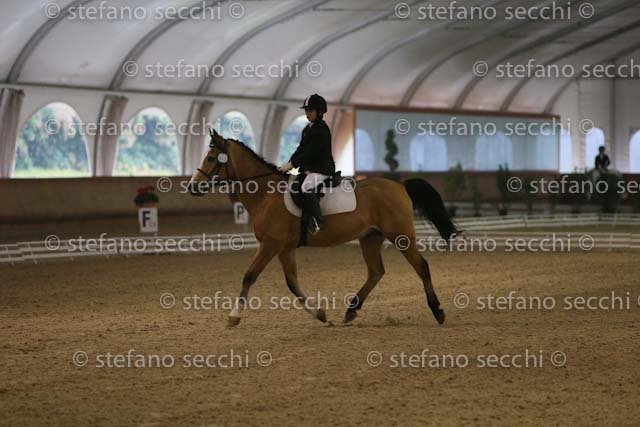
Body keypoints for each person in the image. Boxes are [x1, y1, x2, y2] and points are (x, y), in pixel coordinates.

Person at [279, 94, 335, 234]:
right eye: (306, 110)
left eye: (311, 111)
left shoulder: (321, 129)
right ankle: (304, 218)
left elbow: (311, 152)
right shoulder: (307, 129)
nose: (307, 113)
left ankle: (318, 221)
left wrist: (293, 164)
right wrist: (289, 163)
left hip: (322, 170)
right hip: (309, 169)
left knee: (306, 187)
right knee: (293, 186)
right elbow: (301, 149)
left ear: (320, 112)